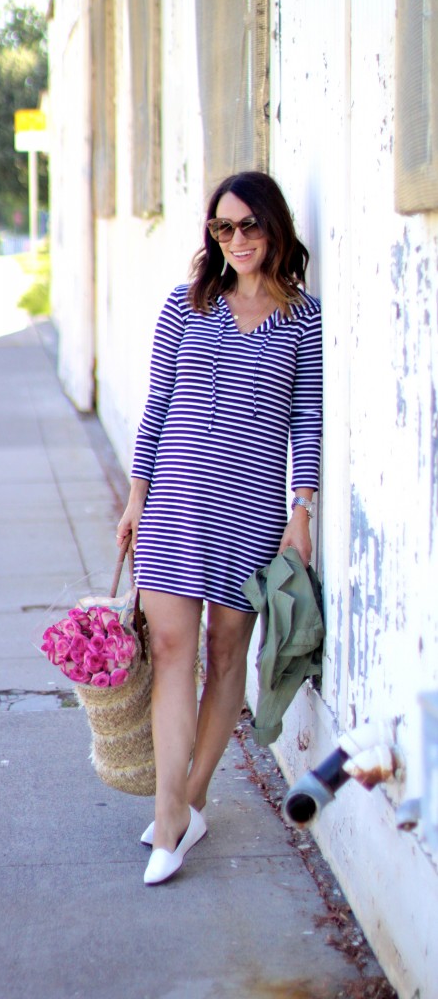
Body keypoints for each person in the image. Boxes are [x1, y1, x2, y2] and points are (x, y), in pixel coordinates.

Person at [116, 171, 323, 885]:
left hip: (251, 510)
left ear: (274, 226)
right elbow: (156, 406)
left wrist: (302, 510)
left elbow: (306, 418)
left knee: (225, 654)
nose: (234, 240)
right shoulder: (185, 305)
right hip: (175, 504)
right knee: (172, 650)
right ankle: (171, 814)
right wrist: (136, 495)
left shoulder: (304, 319)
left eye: (247, 226)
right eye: (221, 229)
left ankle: (191, 797)